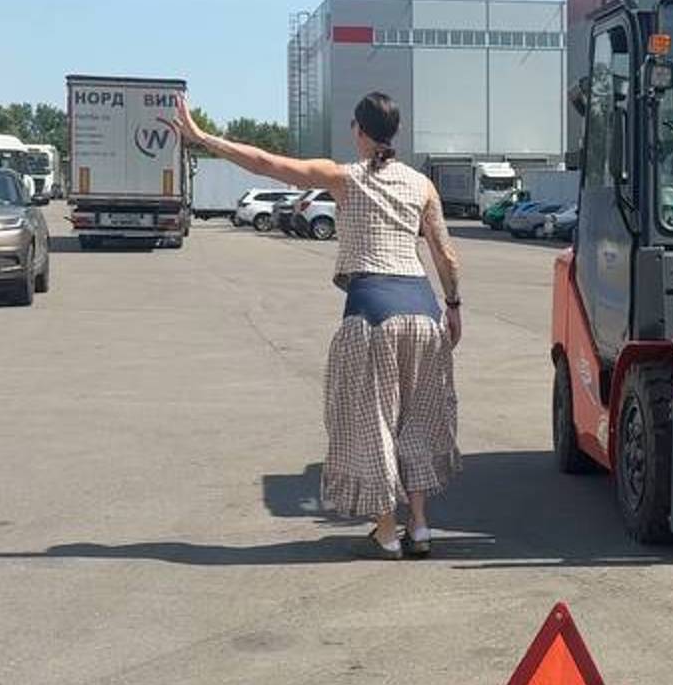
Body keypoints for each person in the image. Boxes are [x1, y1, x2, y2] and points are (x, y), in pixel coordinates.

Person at [172, 92, 461, 558]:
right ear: (396, 132)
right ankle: (421, 526)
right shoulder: (422, 184)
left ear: (359, 131)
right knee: (418, 421)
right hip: (424, 313)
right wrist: (453, 306)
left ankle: (387, 529)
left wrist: (203, 137)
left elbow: (266, 163)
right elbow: (445, 255)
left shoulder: (344, 177)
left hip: (372, 311)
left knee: (371, 421)